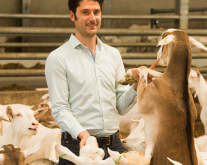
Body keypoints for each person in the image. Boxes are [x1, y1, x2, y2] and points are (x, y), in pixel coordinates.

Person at [45, 0, 146, 164]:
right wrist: (83, 134)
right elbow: (60, 109)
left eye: (96, 12)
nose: (93, 18)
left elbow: (120, 107)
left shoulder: (113, 55)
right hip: (79, 148)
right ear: (72, 15)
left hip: (114, 146)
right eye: (85, 12)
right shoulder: (58, 58)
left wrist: (136, 87)